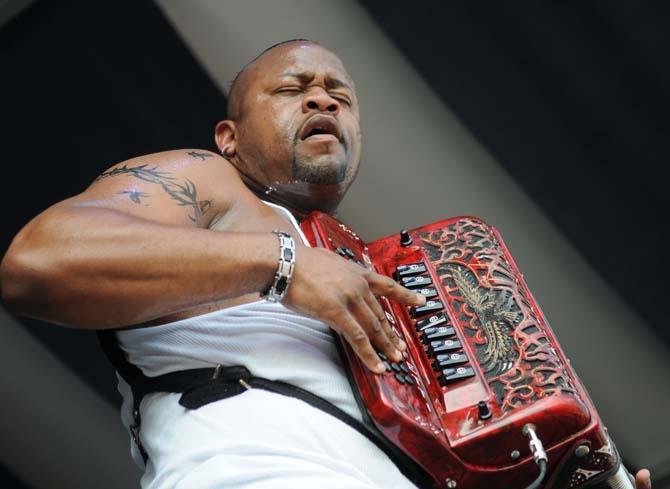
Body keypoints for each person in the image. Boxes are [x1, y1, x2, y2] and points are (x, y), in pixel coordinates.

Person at [0, 40, 651, 489]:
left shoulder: (363, 264)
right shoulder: (203, 179)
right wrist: (283, 265)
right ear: (228, 137)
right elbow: (36, 263)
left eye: (340, 93)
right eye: (294, 88)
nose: (323, 101)